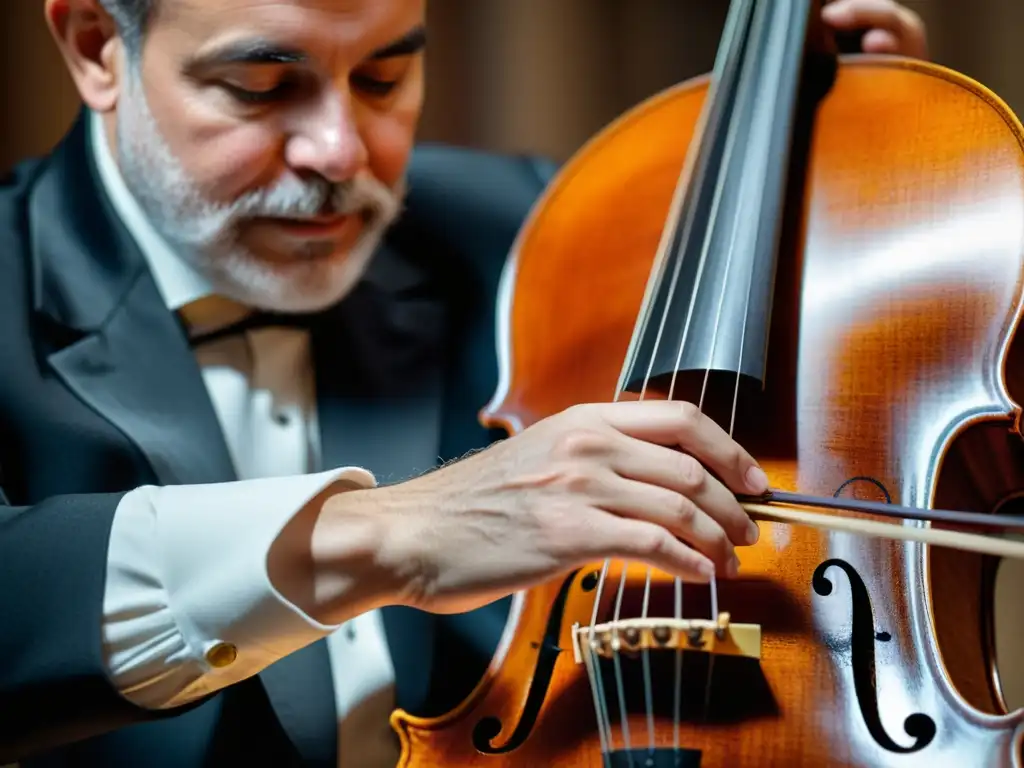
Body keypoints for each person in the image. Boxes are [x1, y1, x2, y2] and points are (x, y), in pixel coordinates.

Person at [0, 0, 929, 765]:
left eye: (384, 77)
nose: (341, 153)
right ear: (95, 47)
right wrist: (392, 532)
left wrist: (867, 148)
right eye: (262, 87)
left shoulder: (553, 236)